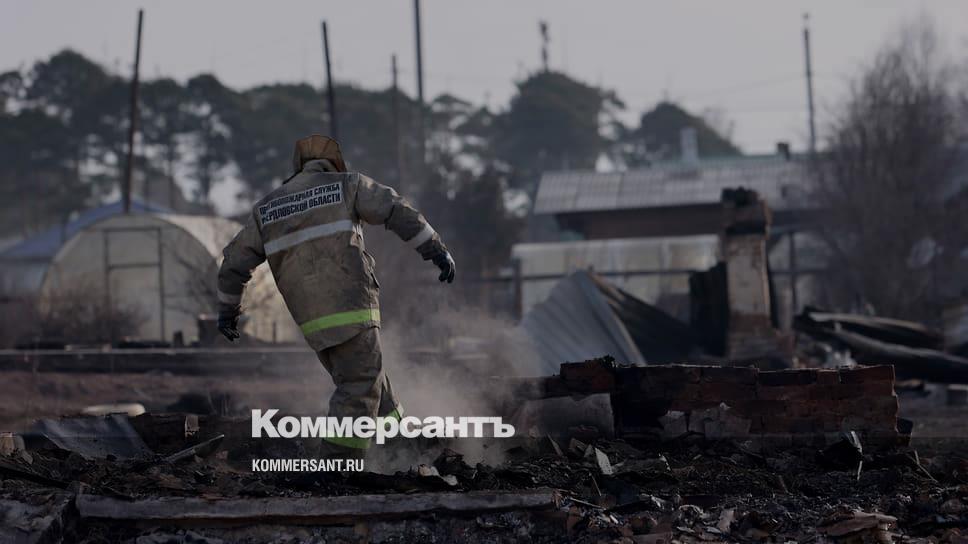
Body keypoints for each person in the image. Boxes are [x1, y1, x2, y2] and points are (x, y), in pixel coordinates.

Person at [216, 134, 455, 459]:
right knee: (360, 385)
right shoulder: (346, 185)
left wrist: (227, 311)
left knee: (370, 379)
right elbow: (394, 208)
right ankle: (335, 467)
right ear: (334, 164)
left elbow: (233, 263)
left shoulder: (267, 210)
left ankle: (403, 447)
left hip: (314, 324)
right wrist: (435, 249)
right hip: (352, 307)